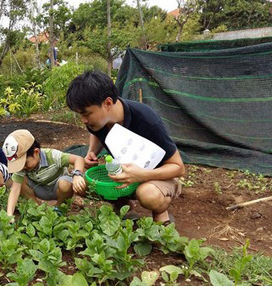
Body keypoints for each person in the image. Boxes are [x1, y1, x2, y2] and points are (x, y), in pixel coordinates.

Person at [66, 70, 185, 225]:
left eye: (86, 114)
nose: (83, 120)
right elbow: (96, 133)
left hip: (159, 174)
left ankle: (161, 217)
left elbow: (178, 167)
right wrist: (92, 152)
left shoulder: (146, 119)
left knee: (148, 194)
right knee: (82, 184)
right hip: (128, 172)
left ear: (108, 103)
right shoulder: (98, 121)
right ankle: (122, 206)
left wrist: (142, 175)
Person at [2, 129, 86, 217]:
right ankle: (37, 209)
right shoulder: (22, 168)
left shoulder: (52, 155)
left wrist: (77, 175)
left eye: (25, 163)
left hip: (58, 189)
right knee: (19, 181)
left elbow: (78, 159)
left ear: (36, 152)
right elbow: (15, 189)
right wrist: (9, 215)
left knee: (65, 184)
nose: (23, 168)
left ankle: (59, 207)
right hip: (41, 189)